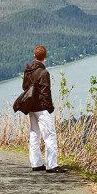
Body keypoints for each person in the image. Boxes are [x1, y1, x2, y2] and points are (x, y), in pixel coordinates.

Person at [23, 45, 67, 173]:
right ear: (45, 56)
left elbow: (24, 86)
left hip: (31, 107)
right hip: (41, 108)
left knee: (34, 134)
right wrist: (49, 107)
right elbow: (45, 92)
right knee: (50, 135)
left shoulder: (28, 70)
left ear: (35, 56)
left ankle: (36, 163)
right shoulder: (44, 72)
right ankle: (52, 165)